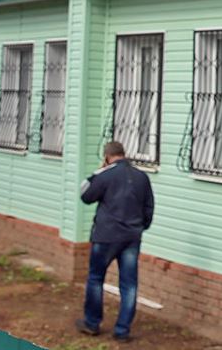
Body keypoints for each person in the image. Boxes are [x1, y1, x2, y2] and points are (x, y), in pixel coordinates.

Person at [76, 141, 155, 342]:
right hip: (131, 237)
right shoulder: (141, 177)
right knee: (129, 284)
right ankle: (122, 331)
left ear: (107, 156)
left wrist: (98, 172)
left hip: (106, 236)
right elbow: (149, 208)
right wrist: (139, 227)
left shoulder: (105, 175)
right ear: (123, 154)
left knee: (95, 278)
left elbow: (85, 194)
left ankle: (92, 323)